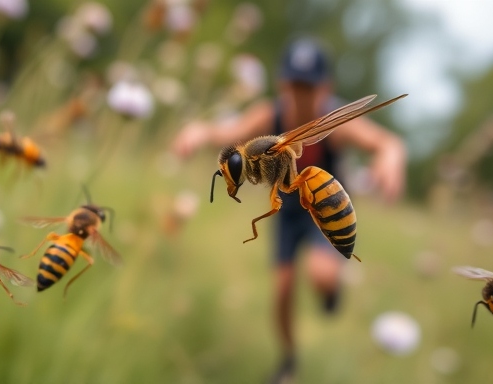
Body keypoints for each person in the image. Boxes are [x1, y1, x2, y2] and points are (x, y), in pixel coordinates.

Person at [171, 37, 406, 383]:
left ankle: (332, 290)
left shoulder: (333, 121)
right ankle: (288, 359)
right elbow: (228, 133)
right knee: (281, 288)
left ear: (325, 88)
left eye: (309, 88)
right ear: (282, 84)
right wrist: (198, 130)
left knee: (321, 275)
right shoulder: (270, 115)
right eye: (294, 86)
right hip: (288, 210)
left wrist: (391, 158)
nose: (301, 95)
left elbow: (387, 142)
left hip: (324, 206)